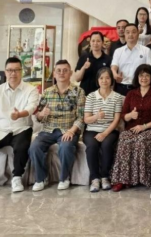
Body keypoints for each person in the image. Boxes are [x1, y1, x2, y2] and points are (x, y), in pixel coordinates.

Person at [29, 60, 86, 191]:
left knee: (66, 147)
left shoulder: (78, 91)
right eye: (58, 70)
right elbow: (38, 117)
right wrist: (41, 114)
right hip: (48, 130)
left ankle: (64, 178)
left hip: (68, 129)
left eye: (65, 70)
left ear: (70, 73)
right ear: (54, 73)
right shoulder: (47, 92)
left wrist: (71, 131)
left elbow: (81, 116)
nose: (62, 73)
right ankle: (41, 178)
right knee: (34, 147)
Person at [111, 65, 151, 192]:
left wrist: (144, 126)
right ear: (137, 77)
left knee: (141, 141)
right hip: (132, 128)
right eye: (141, 75)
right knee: (124, 138)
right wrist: (130, 115)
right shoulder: (131, 94)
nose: (144, 78)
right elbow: (124, 115)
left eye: (147, 75)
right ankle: (122, 180)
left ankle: (143, 178)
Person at [0, 57, 39, 193]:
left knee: (21, 146)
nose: (13, 73)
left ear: (21, 71)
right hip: (2, 128)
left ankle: (17, 178)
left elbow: (31, 107)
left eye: (16, 70)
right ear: (5, 72)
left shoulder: (31, 90)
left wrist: (19, 114)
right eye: (10, 70)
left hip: (22, 127)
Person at [83, 67, 124, 193]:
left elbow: (116, 120)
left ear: (112, 80)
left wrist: (105, 133)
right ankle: (95, 178)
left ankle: (105, 177)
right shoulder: (91, 96)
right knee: (92, 146)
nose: (104, 81)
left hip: (110, 130)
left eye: (107, 78)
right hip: (92, 129)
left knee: (107, 145)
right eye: (101, 78)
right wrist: (96, 116)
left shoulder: (117, 97)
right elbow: (86, 119)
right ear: (97, 80)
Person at [111, 23, 151, 96]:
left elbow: (150, 69)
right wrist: (115, 74)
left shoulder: (146, 50)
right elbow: (114, 66)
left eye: (133, 32)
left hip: (140, 87)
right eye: (127, 32)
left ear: (138, 34)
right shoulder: (118, 51)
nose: (130, 34)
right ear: (124, 34)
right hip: (121, 87)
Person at [74, 31, 112, 96]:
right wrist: (84, 67)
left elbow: (111, 80)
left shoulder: (108, 59)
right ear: (90, 42)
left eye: (98, 41)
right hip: (85, 94)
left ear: (102, 43)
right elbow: (77, 79)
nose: (95, 43)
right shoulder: (84, 57)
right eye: (93, 41)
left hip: (102, 95)